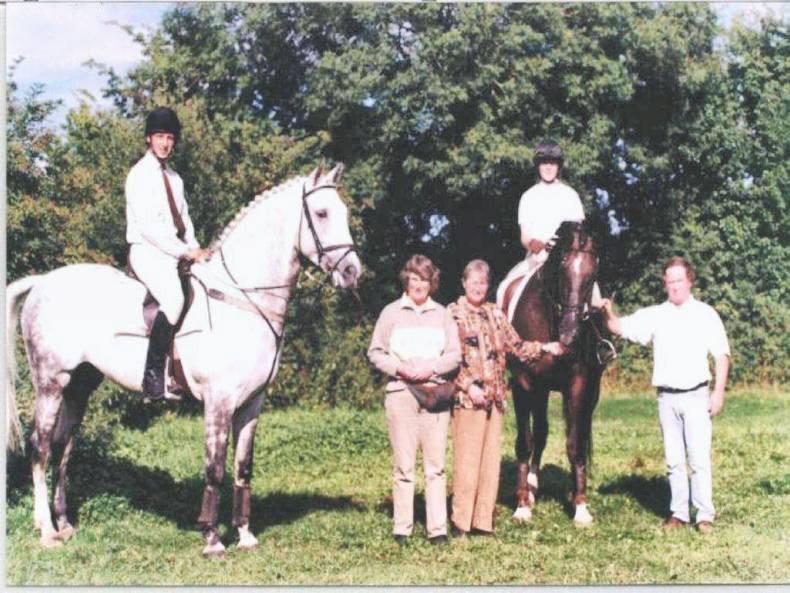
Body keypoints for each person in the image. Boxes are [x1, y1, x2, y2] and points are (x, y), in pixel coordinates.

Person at [599, 256, 730, 534]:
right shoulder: (656, 315)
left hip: (697, 396)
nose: (675, 286)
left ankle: (704, 515)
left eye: (679, 280)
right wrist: (607, 311)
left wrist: (718, 392)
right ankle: (679, 513)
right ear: (665, 284)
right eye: (670, 281)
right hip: (666, 399)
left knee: (699, 460)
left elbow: (722, 355)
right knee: (674, 461)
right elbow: (617, 327)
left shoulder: (705, 314)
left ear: (690, 281)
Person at [448, 259, 562, 538]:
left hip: (495, 400)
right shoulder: (452, 314)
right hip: (468, 400)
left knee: (490, 464)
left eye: (483, 283)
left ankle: (483, 522)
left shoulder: (495, 314)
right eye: (474, 282)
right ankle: (461, 522)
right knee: (467, 463)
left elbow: (517, 347)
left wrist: (546, 347)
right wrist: (467, 386)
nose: (478, 288)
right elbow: (447, 360)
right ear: (464, 283)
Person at [367, 255, 462, 545]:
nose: (419, 284)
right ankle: (402, 528)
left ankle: (437, 529)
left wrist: (431, 368)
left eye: (425, 279)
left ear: (432, 283)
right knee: (404, 466)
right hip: (401, 394)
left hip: (435, 396)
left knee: (436, 466)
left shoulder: (442, 314)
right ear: (406, 280)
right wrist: (400, 369)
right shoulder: (390, 313)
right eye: (414, 278)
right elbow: (375, 352)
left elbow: (455, 355)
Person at [125, 107, 209, 402]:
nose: (165, 143)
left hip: (173, 251)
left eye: (170, 138)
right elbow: (149, 228)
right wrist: (185, 251)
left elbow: (184, 221)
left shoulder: (175, 178)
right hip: (147, 250)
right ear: (148, 138)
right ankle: (153, 378)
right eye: (160, 136)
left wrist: (196, 249)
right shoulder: (139, 175)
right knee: (174, 300)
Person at [497, 139, 599, 316]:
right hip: (537, 258)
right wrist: (532, 243)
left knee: (596, 300)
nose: (548, 167)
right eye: (544, 163)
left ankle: (601, 331)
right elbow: (524, 235)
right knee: (503, 288)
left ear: (559, 166)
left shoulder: (570, 195)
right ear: (538, 166)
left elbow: (578, 234)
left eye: (553, 163)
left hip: (567, 260)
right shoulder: (528, 196)